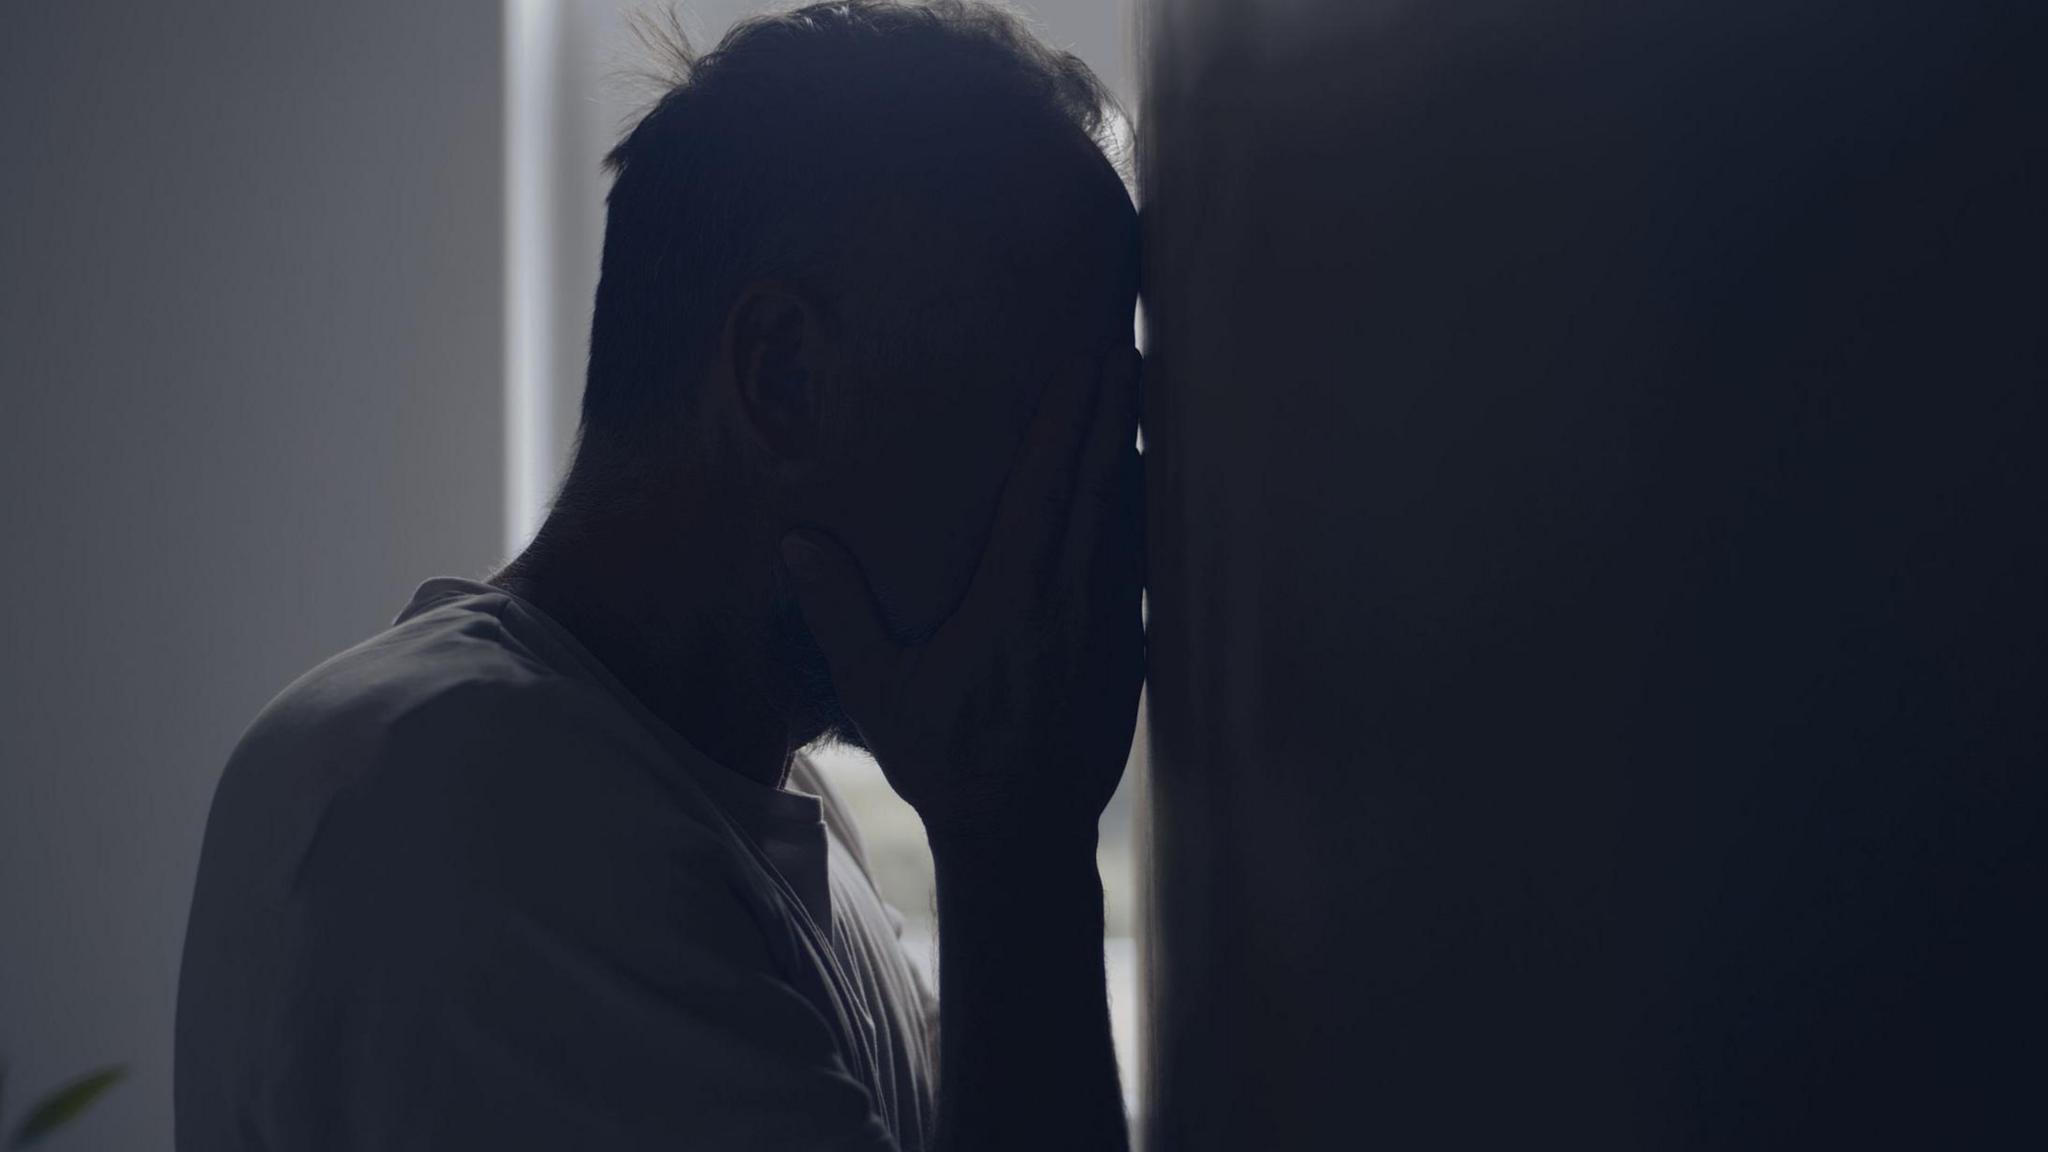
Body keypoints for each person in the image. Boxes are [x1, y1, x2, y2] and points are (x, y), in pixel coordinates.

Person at [174, 3, 1143, 1149]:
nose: (1104, 497)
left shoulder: (746, 795)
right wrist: (1017, 848)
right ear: (781, 375)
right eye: (1052, 406)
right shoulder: (474, 810)